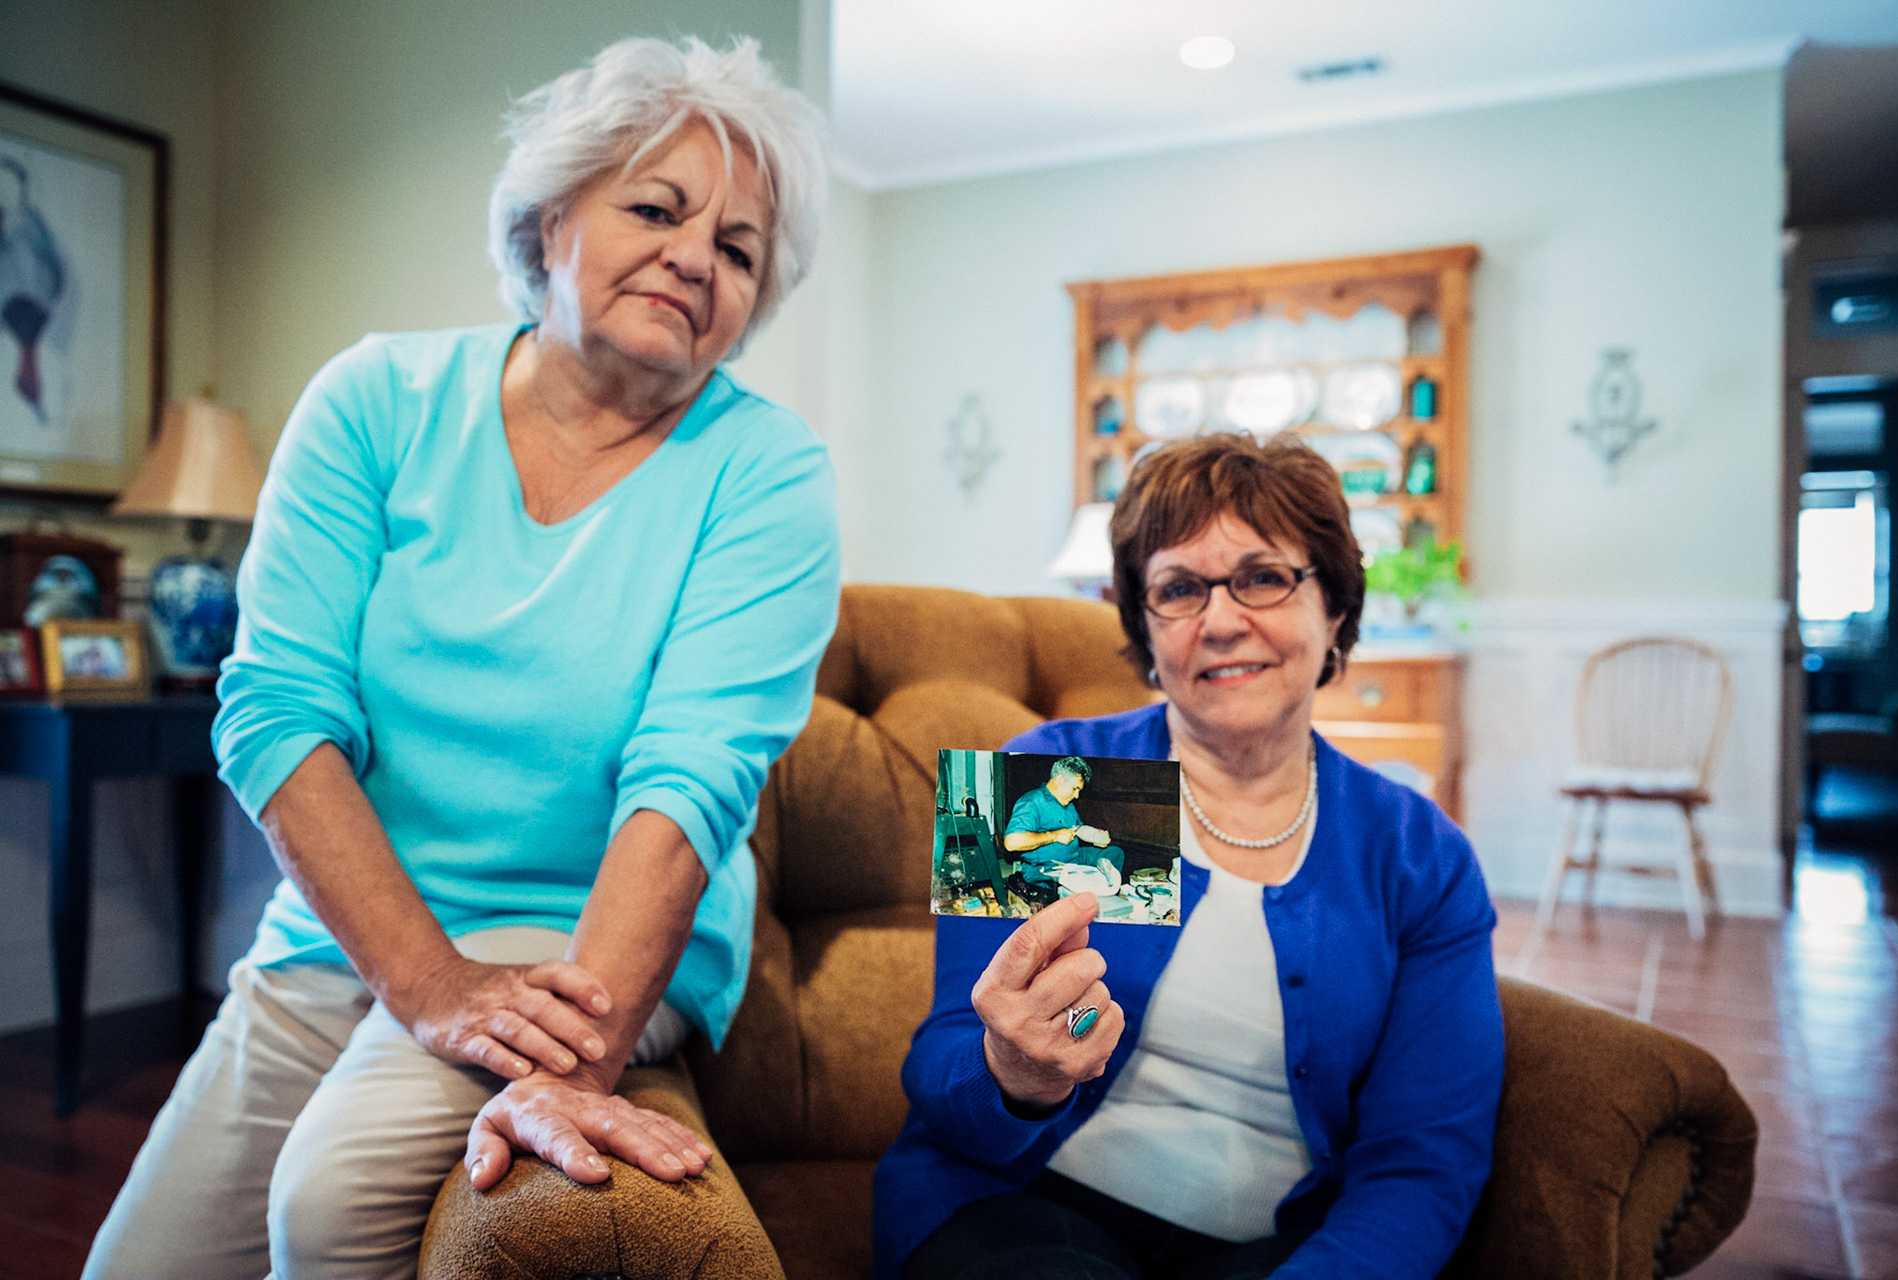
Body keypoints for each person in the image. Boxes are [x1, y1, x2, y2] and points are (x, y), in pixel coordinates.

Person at [84, 35, 837, 1280]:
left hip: (575, 945)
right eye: (657, 207)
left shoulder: (767, 473)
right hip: (345, 926)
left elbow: (691, 777)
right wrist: (426, 980)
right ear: (548, 221)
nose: (698, 255)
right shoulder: (373, 401)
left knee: (327, 1206)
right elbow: (277, 710)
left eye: (741, 248)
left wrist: (573, 1057)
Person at [874, 434, 1503, 1280]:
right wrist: (1011, 1074)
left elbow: (1423, 1164)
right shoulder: (1062, 782)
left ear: (1337, 609)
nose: (1220, 619)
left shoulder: (1416, 854)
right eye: (1178, 588)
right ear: (1142, 624)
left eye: (1263, 577)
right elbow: (941, 1066)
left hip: (1276, 1249)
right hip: (1012, 1206)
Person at [1003, 756, 1121, 902]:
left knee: (1115, 853)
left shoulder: (1067, 803)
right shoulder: (1032, 801)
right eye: (1074, 788)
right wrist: (1055, 835)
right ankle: (1092, 903)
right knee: (1076, 887)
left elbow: (1077, 828)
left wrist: (1095, 836)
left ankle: (1104, 898)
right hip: (1048, 867)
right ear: (1059, 779)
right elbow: (1011, 842)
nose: (1077, 795)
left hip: (1075, 858)